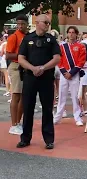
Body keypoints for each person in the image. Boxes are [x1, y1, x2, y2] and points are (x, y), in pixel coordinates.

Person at [16, 14, 61, 149]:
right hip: (30, 77)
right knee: (28, 107)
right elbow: (21, 58)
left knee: (47, 109)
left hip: (46, 78)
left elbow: (57, 58)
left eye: (48, 23)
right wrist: (33, 68)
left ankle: (48, 139)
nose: (47, 25)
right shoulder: (28, 38)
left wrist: (43, 68)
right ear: (37, 23)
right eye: (45, 22)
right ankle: (25, 138)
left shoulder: (51, 39)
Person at [53, 26, 86, 126]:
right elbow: (59, 60)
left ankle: (77, 117)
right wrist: (64, 72)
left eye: (73, 32)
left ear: (76, 34)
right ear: (67, 34)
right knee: (61, 96)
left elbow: (81, 61)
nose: (71, 34)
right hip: (64, 74)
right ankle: (58, 117)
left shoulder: (81, 46)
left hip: (74, 74)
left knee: (75, 97)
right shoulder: (62, 47)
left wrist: (71, 73)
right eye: (69, 32)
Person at [5, 15, 29, 135]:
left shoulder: (28, 36)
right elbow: (8, 55)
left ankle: (18, 123)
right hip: (16, 67)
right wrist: (23, 55)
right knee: (16, 95)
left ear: (26, 24)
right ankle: (14, 124)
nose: (20, 26)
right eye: (18, 24)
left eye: (22, 24)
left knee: (23, 97)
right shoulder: (14, 37)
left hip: (25, 67)